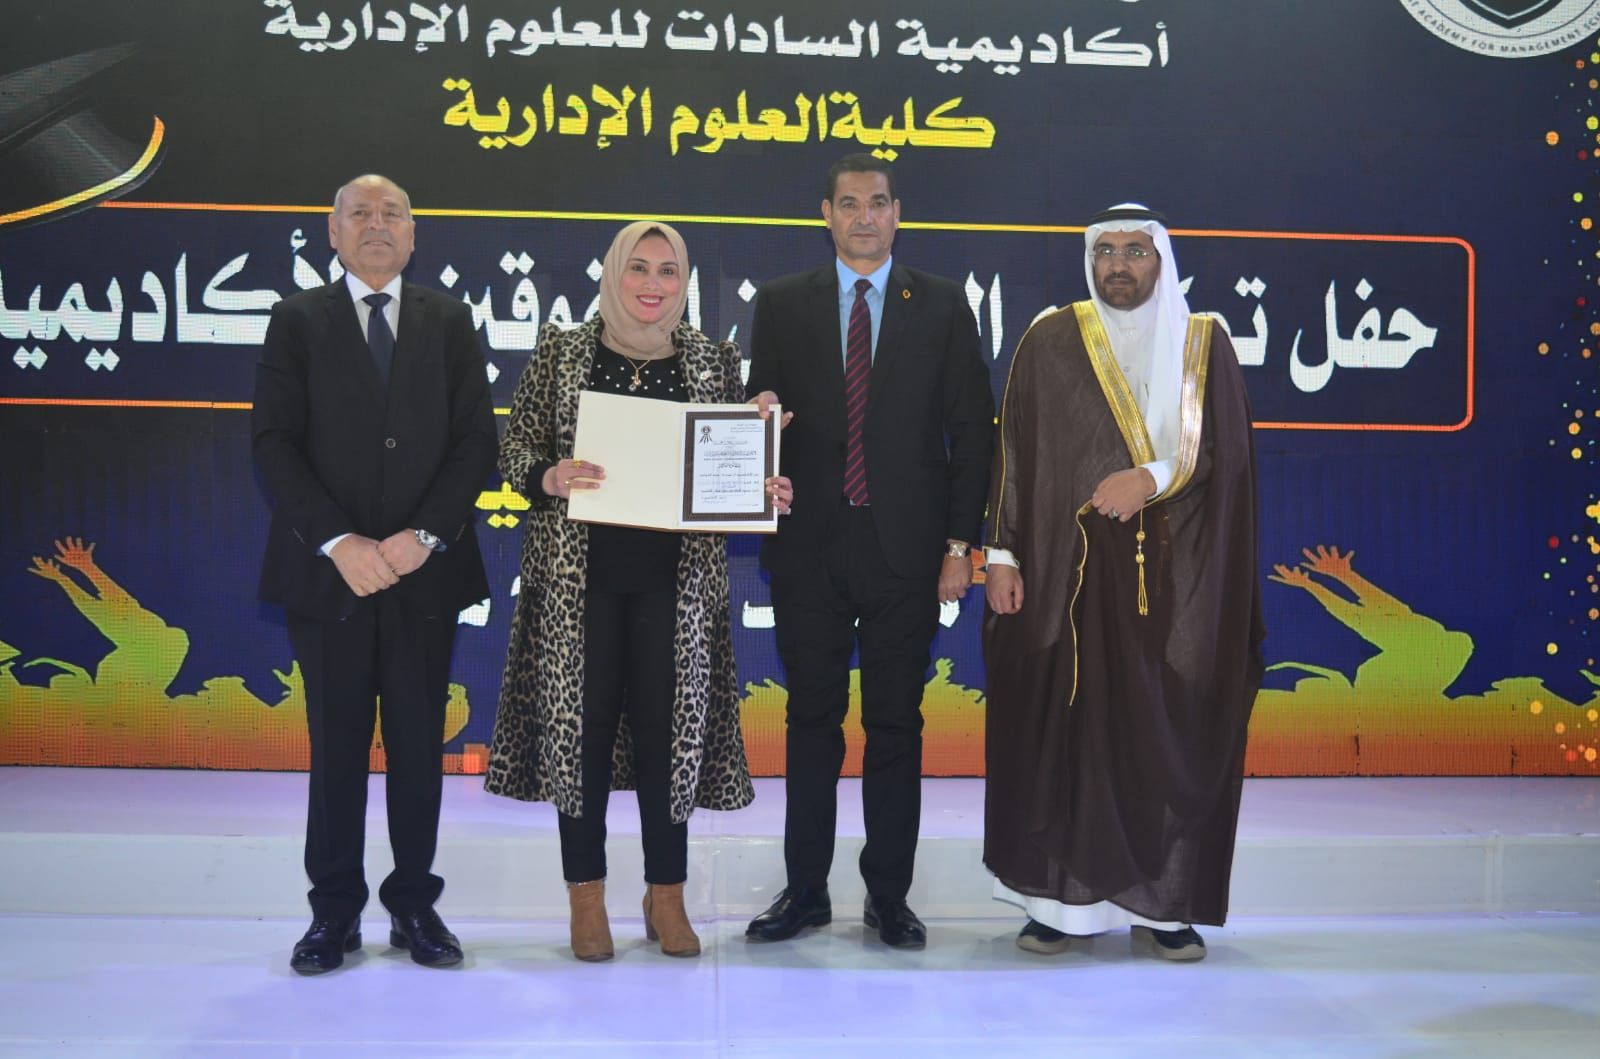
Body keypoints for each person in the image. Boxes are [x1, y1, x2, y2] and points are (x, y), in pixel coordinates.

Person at [484, 221, 790, 961]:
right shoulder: (562, 350)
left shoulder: (713, 361)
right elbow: (515, 447)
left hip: (675, 588)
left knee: (668, 734)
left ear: (685, 283)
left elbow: (727, 465)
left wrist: (760, 483)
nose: (653, 285)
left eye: (668, 271)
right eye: (639, 269)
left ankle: (667, 894)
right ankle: (585, 896)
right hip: (576, 585)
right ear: (613, 274)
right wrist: (548, 475)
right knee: (579, 735)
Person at [982, 204, 1264, 961]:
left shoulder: (1204, 341)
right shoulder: (1051, 337)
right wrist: (1001, 554)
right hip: (1062, 579)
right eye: (1105, 251)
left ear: (1160, 260)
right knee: (1064, 733)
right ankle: (1054, 906)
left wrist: (1150, 477)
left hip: (1173, 580)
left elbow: (1226, 456)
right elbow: (1014, 452)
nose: (1119, 265)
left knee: (1157, 734)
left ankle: (1163, 908)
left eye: (1135, 251)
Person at [743, 153, 994, 949]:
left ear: (897, 213)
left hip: (906, 553)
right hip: (809, 548)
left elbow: (972, 433)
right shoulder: (782, 303)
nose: (864, 217)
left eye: (877, 203)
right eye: (848, 203)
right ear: (826, 214)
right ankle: (806, 890)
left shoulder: (943, 304)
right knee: (810, 721)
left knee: (895, 725)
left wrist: (961, 545)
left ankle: (889, 896)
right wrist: (760, 422)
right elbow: (760, 414)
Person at [252, 174, 497, 974]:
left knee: (420, 747)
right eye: (360, 213)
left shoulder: (450, 320)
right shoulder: (297, 320)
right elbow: (273, 444)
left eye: (393, 213)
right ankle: (333, 913)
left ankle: (414, 905)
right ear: (333, 232)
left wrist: (424, 534)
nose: (377, 224)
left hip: (425, 574)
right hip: (331, 579)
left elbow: (476, 442)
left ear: (414, 234)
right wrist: (339, 541)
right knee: (336, 748)